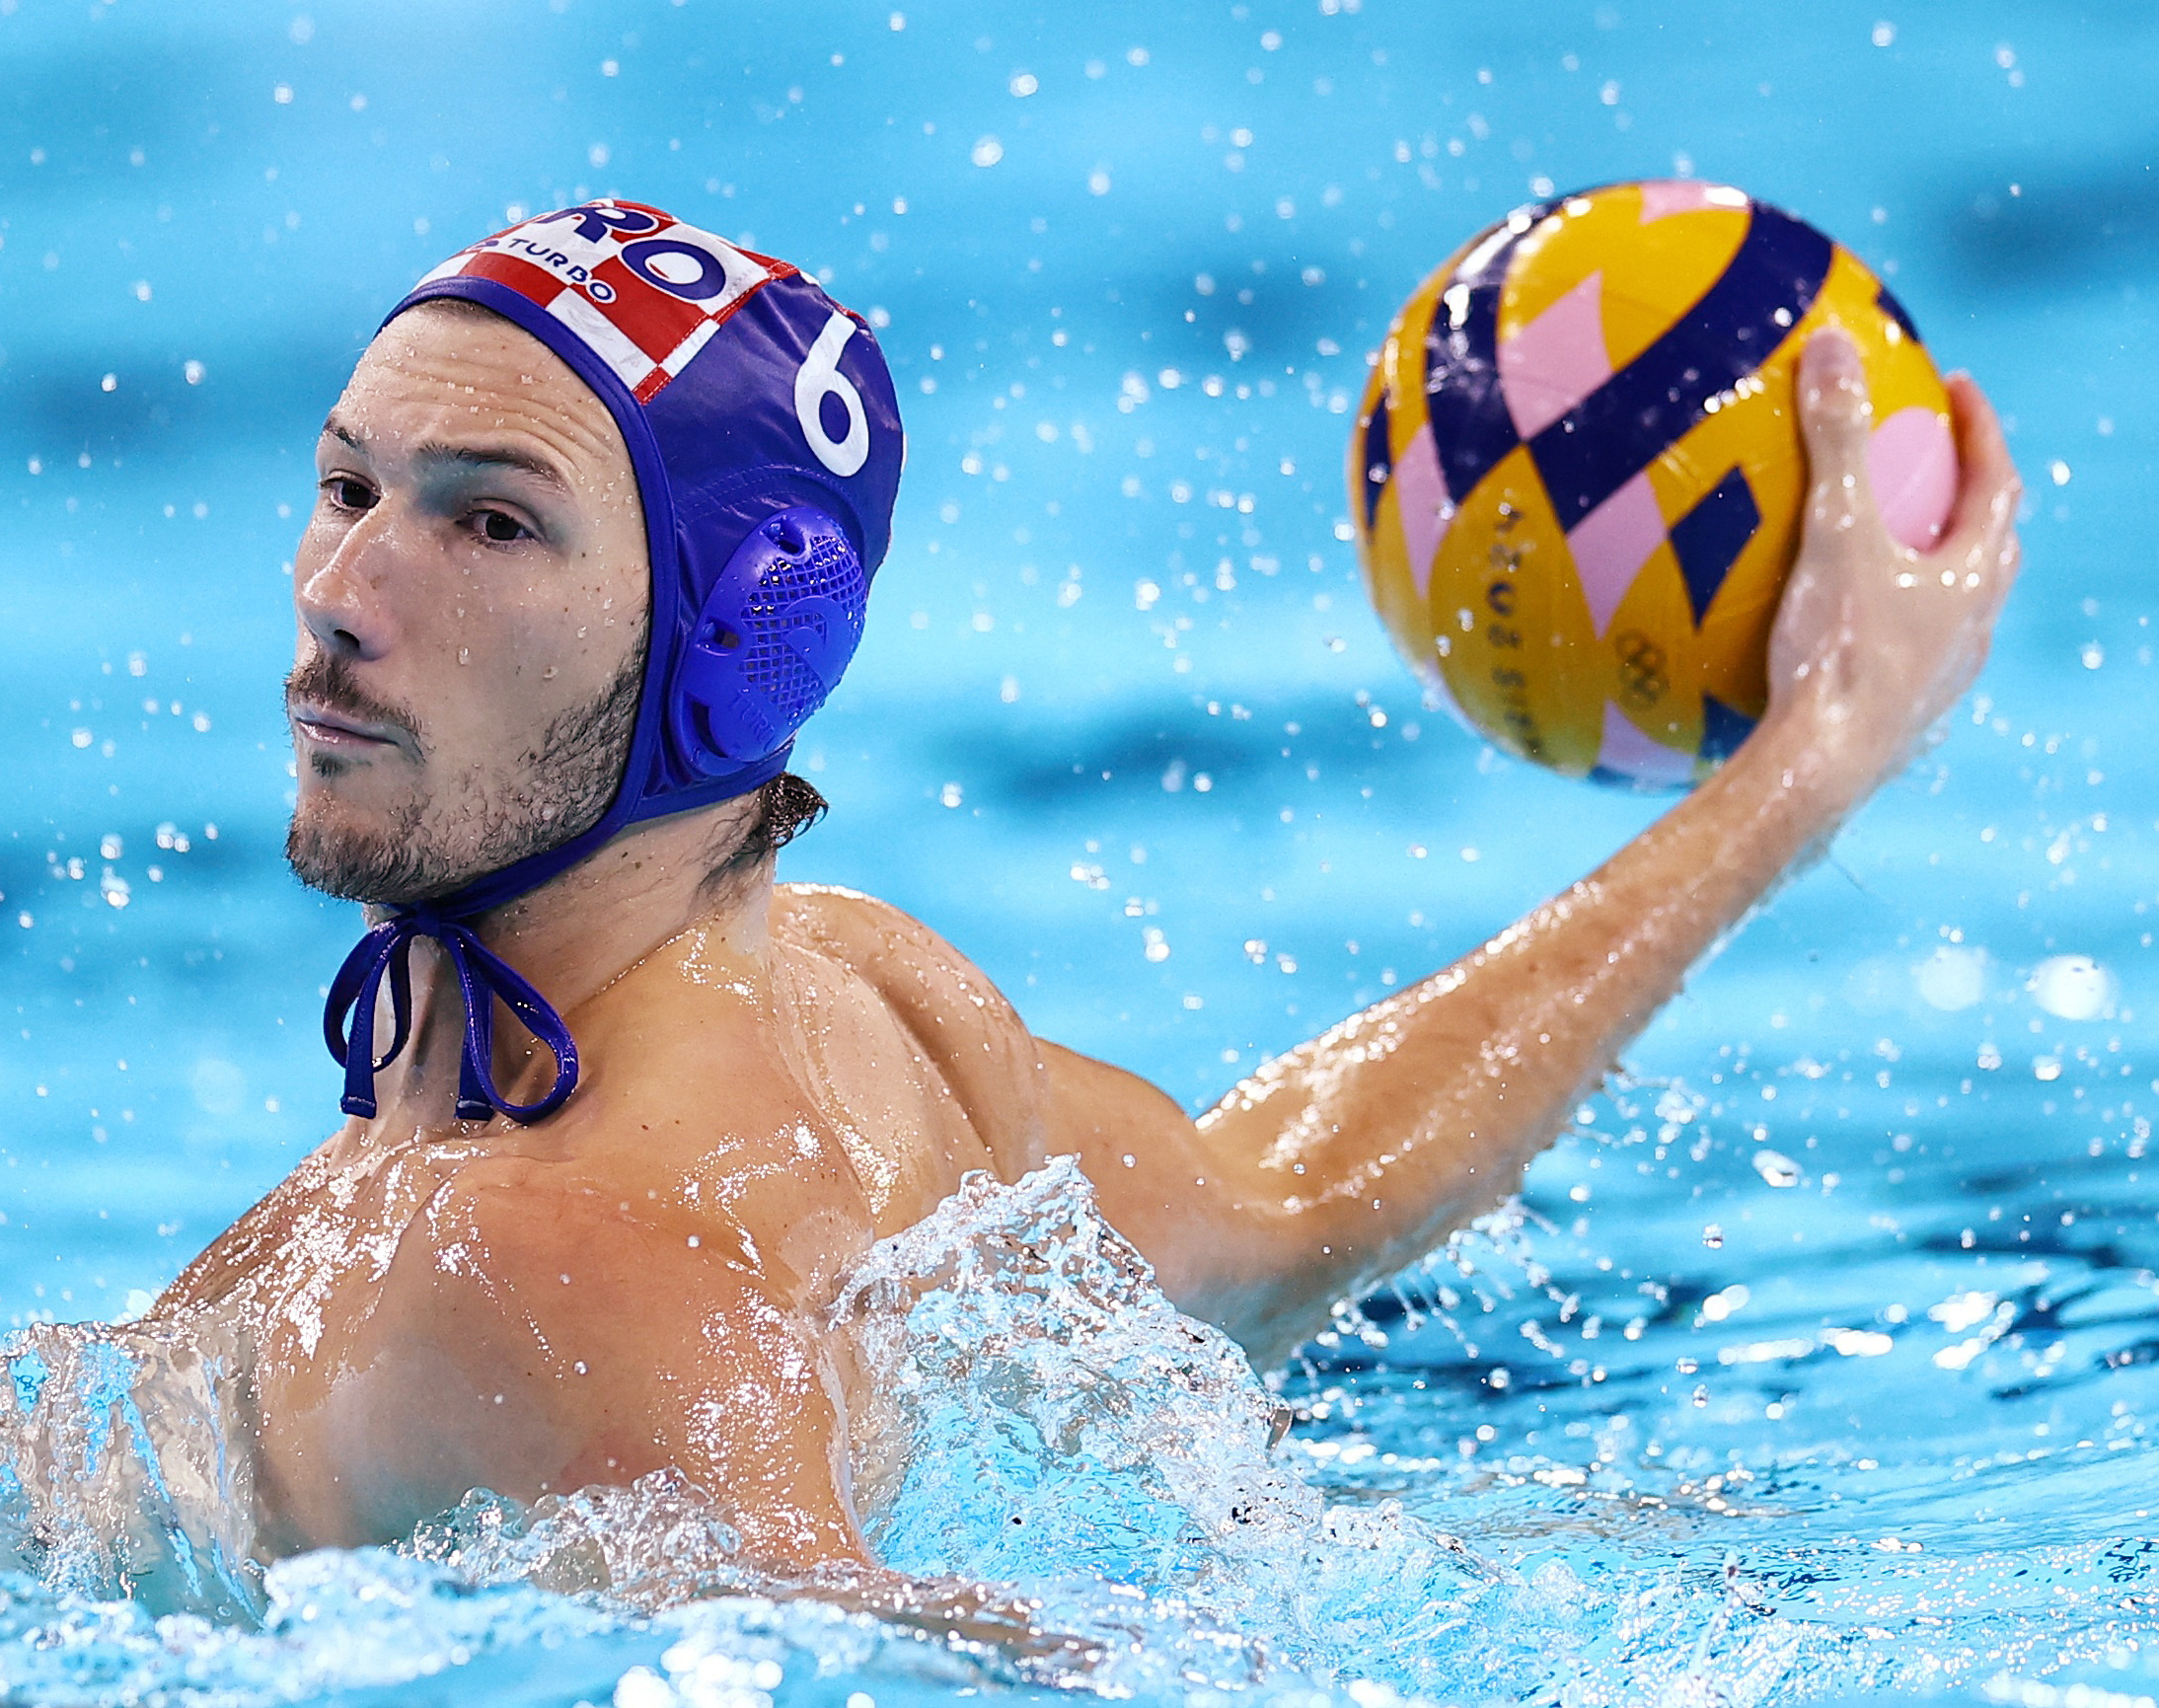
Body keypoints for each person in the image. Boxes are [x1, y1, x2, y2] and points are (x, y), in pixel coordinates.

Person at [125, 201, 2020, 1572]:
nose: (340, 592)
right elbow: (1287, 1211)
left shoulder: (525, 1261)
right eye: (347, 485)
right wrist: (1807, 764)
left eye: (489, 520)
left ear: (740, 639)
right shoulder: (871, 1016)